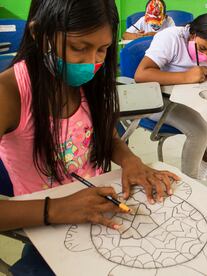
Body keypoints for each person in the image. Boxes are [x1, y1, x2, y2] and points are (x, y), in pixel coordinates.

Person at [0, 0, 179, 274]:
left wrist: (129, 159)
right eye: (78, 48)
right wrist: (57, 209)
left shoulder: (89, 82)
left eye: (103, 50)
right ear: (40, 35)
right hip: (45, 226)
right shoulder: (9, 94)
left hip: (98, 212)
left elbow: (101, 134)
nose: (92, 62)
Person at [135, 13, 207, 181]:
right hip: (159, 99)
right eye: (202, 49)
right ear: (193, 34)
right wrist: (186, 77)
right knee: (199, 131)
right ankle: (191, 184)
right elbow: (141, 75)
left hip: (191, 99)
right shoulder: (171, 38)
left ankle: (203, 167)